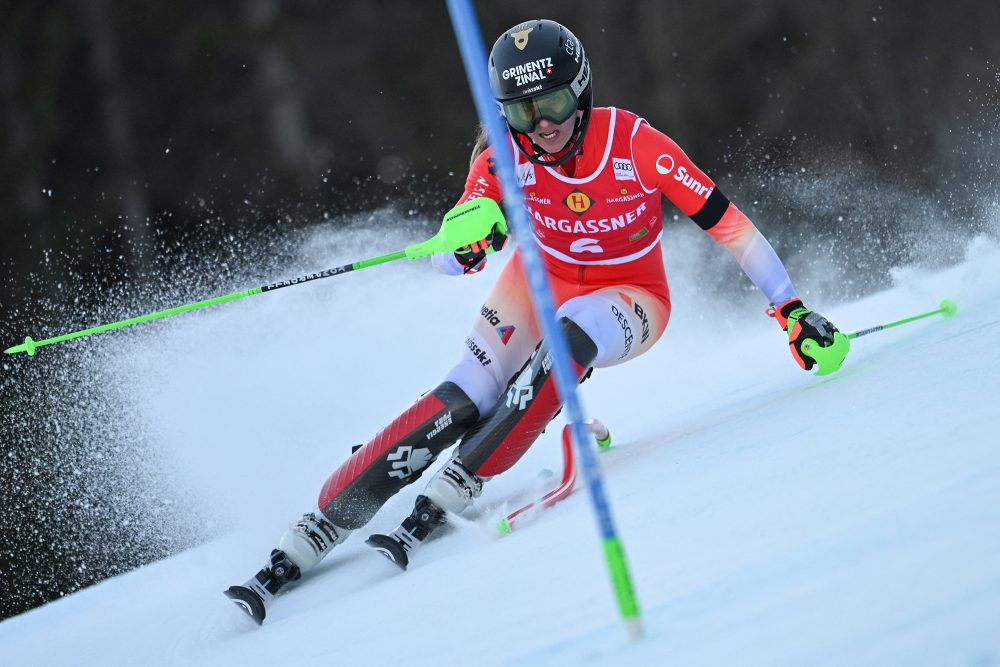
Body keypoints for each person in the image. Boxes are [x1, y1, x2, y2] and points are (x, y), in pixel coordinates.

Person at [224, 19, 847, 623]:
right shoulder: (501, 155)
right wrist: (467, 247)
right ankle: (324, 519)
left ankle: (465, 476)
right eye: (523, 111)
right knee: (468, 392)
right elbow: (448, 252)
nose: (542, 124)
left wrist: (790, 309)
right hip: (539, 279)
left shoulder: (635, 144)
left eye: (552, 104)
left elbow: (730, 226)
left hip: (631, 295)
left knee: (570, 333)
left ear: (580, 92)